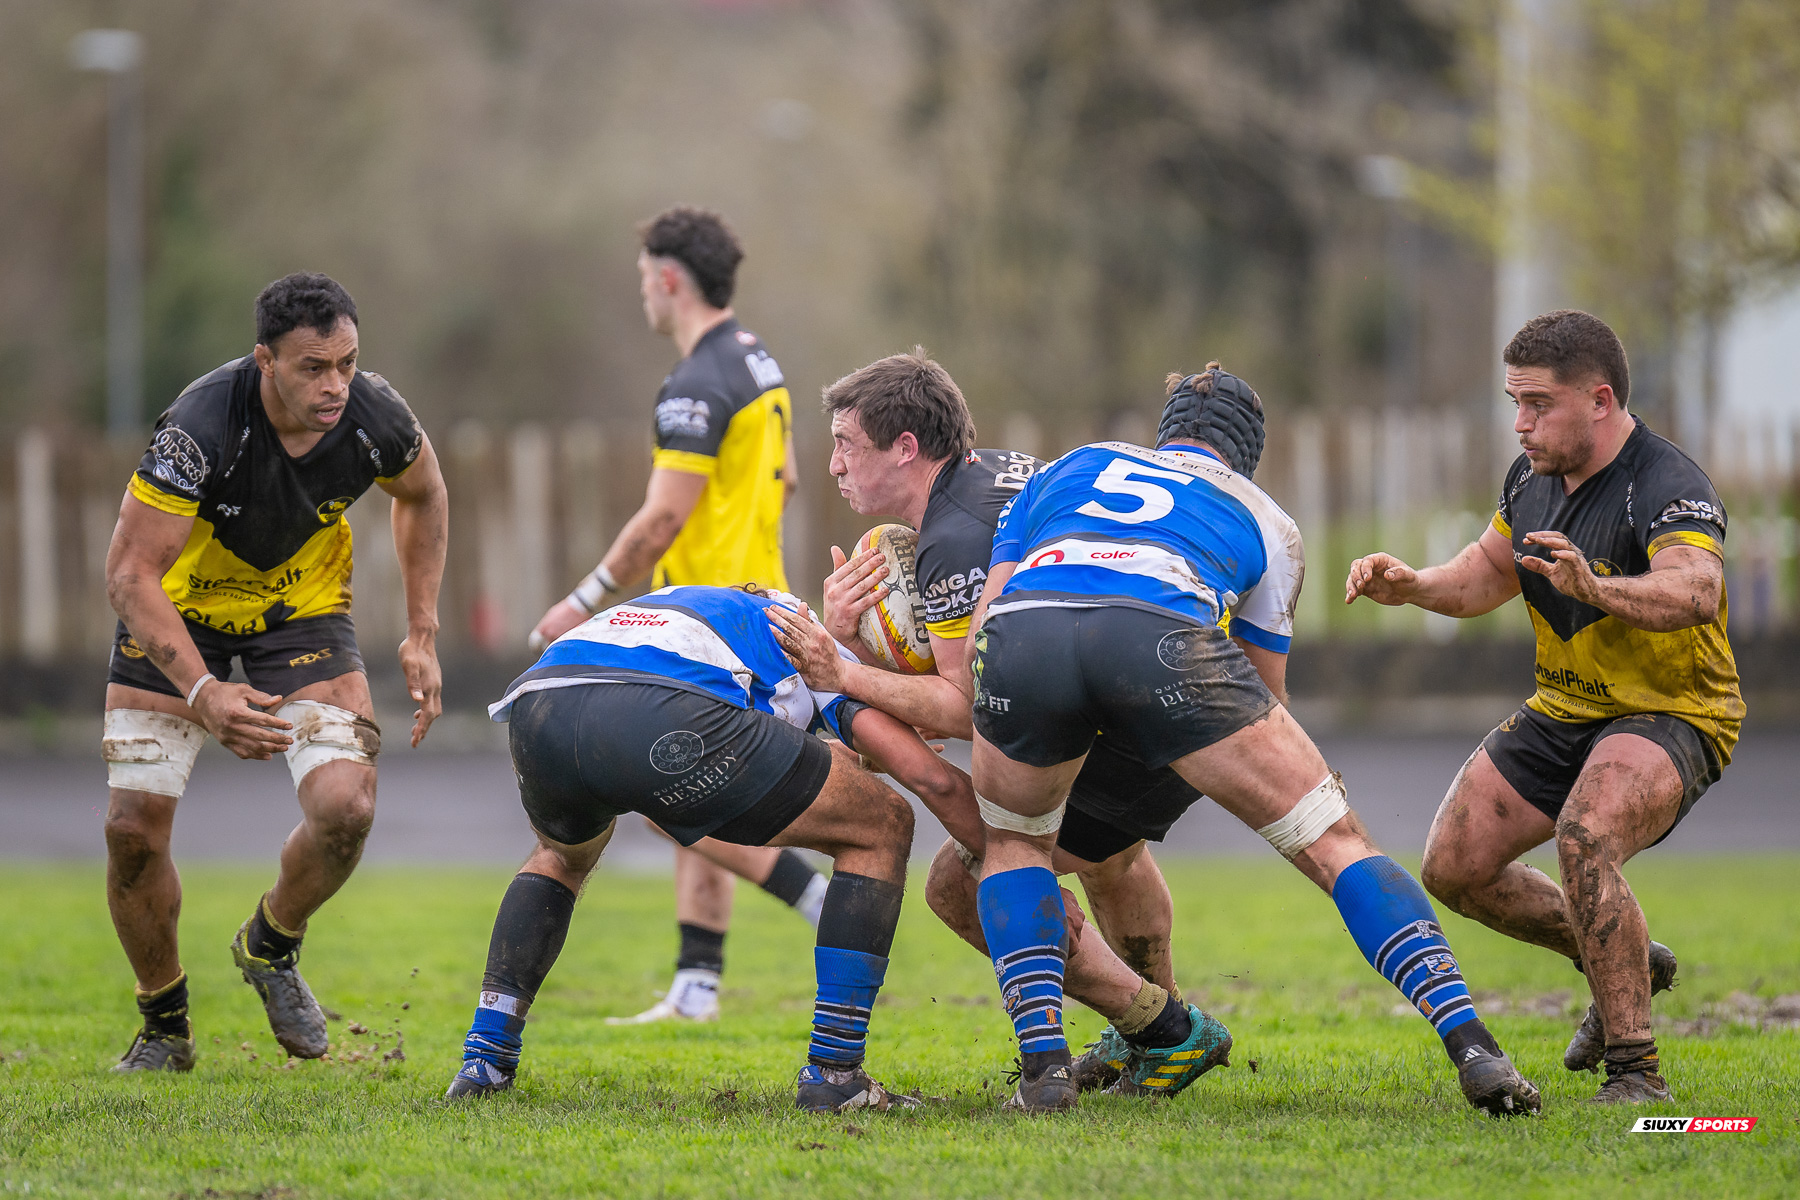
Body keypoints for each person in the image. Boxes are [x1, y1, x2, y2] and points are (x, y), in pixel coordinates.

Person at [956, 363, 1541, 1114]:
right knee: (1337, 843)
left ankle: (1044, 1076)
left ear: (1163, 434)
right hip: (1161, 632)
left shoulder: (1070, 467)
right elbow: (1264, 692)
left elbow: (984, 622)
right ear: (1246, 455)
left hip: (1023, 635)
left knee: (1013, 847)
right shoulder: (1266, 516)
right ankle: (1475, 1050)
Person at [765, 351, 1229, 1102]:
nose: (833, 466)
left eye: (847, 443)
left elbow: (965, 706)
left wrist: (842, 668)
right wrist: (854, 636)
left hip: (1120, 700)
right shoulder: (1003, 473)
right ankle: (1152, 1036)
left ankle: (1162, 1029)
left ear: (907, 448)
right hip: (1174, 685)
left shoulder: (951, 539)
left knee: (966, 875)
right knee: (1113, 857)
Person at [1345, 310, 1740, 1104]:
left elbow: (1699, 590)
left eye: (1537, 404)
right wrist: (1412, 585)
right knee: (1453, 868)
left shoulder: (1665, 482)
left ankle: (1636, 1071)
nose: (1520, 423)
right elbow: (1484, 575)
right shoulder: (1531, 479)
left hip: (1673, 711)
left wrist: (1597, 587)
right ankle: (1626, 957)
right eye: (1513, 403)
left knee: (1585, 835)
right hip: (1566, 707)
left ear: (1599, 400)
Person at [102, 272, 448, 1070]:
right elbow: (128, 576)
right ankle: (164, 1026)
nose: (335, 386)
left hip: (300, 616)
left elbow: (424, 493)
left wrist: (422, 632)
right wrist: (201, 690)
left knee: (346, 807)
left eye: (348, 364)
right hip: (178, 619)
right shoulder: (201, 426)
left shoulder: (375, 415)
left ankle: (271, 943)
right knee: (130, 834)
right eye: (311, 368)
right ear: (265, 361)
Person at [448, 585, 964, 1112]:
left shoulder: (702, 609)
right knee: (882, 822)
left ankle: (485, 1058)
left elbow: (795, 748)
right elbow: (927, 778)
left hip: (543, 702)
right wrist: (1008, 853)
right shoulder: (814, 643)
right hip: (657, 709)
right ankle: (835, 1071)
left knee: (560, 858)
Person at [527, 206, 823, 1024]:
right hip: (764, 603)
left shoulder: (695, 384)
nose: (643, 300)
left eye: (642, 283)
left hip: (712, 622)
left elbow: (660, 520)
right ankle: (696, 988)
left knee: (666, 791)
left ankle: (813, 896)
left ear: (667, 279)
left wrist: (581, 602)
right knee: (689, 781)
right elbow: (789, 479)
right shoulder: (759, 363)